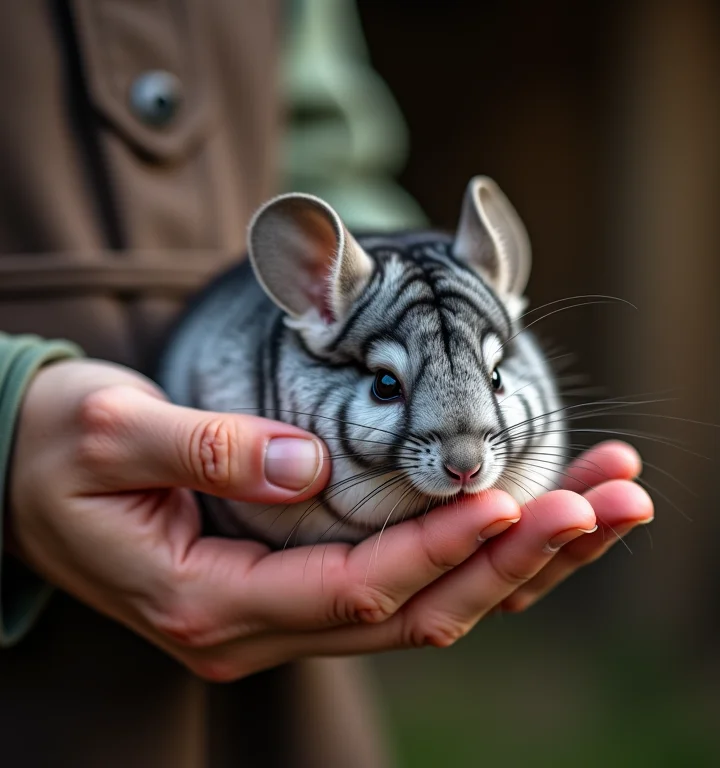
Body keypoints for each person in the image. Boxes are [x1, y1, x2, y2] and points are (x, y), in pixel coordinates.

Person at [0, 2, 654, 767]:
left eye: (495, 374)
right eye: (386, 384)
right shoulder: (283, 349)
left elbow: (324, 146)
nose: (468, 457)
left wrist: (397, 268)